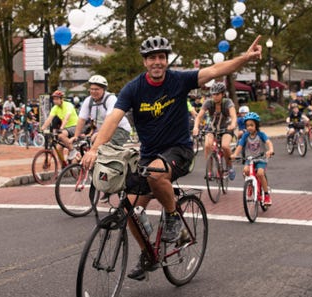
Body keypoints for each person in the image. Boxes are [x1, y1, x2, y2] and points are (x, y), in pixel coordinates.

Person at [81, 34, 262, 281]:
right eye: (152, 58)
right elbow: (113, 118)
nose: (157, 61)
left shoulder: (179, 80)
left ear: (166, 60)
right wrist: (94, 148)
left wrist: (245, 58)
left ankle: (173, 216)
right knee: (129, 207)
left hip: (180, 151)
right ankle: (149, 255)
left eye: (161, 57)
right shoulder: (134, 88)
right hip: (148, 156)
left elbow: (216, 69)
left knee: (156, 173)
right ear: (145, 62)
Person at [193, 82, 237, 180]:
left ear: (223, 94)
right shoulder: (208, 102)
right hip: (212, 128)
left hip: (226, 128)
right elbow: (199, 116)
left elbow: (233, 116)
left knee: (225, 146)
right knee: (208, 145)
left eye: (217, 94)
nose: (215, 96)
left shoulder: (228, 102)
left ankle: (230, 167)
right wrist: (196, 127)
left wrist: (233, 124)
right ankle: (209, 171)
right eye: (213, 94)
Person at [72, 75, 131, 146]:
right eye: (91, 89)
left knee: (106, 147)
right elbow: (81, 119)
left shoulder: (111, 99)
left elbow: (109, 120)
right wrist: (76, 136)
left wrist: (99, 134)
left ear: (104, 89)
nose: (93, 91)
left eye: (97, 89)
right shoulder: (88, 100)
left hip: (120, 130)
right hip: (103, 131)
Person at [231, 112, 274, 205]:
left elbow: (269, 143)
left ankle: (266, 195)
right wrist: (235, 154)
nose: (249, 127)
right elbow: (240, 146)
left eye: (251, 125)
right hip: (249, 159)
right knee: (245, 171)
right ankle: (250, 185)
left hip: (261, 158)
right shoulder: (245, 135)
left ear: (256, 125)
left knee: (260, 173)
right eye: (247, 125)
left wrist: (270, 150)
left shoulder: (261, 134)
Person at [40, 90, 79, 160]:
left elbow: (66, 119)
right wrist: (42, 128)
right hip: (66, 129)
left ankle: (73, 151)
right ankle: (64, 167)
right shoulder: (55, 108)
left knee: (61, 135)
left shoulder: (68, 105)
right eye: (54, 99)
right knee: (58, 148)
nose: (55, 101)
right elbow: (49, 119)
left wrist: (61, 128)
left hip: (75, 126)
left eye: (57, 99)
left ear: (61, 99)